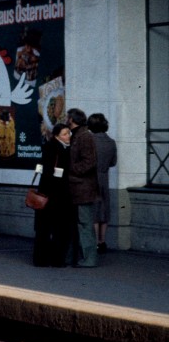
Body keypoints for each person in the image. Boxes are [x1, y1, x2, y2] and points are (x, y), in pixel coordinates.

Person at [33, 124, 73, 266]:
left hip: (54, 193)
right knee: (54, 228)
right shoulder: (53, 148)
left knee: (51, 228)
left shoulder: (62, 147)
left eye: (68, 133)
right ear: (57, 136)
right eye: (64, 134)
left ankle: (45, 259)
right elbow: (48, 171)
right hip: (53, 194)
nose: (68, 136)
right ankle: (51, 259)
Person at [65, 108, 99, 267]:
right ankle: (82, 257)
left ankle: (89, 258)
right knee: (81, 224)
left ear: (72, 119)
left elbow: (89, 162)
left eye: (67, 117)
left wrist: (72, 170)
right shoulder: (79, 135)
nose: (66, 119)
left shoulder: (84, 137)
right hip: (78, 188)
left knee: (85, 225)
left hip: (82, 188)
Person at [88, 112, 117, 254]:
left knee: (94, 210)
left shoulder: (90, 141)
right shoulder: (111, 142)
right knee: (104, 209)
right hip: (104, 177)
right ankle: (102, 240)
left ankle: (94, 242)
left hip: (91, 177)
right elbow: (113, 162)